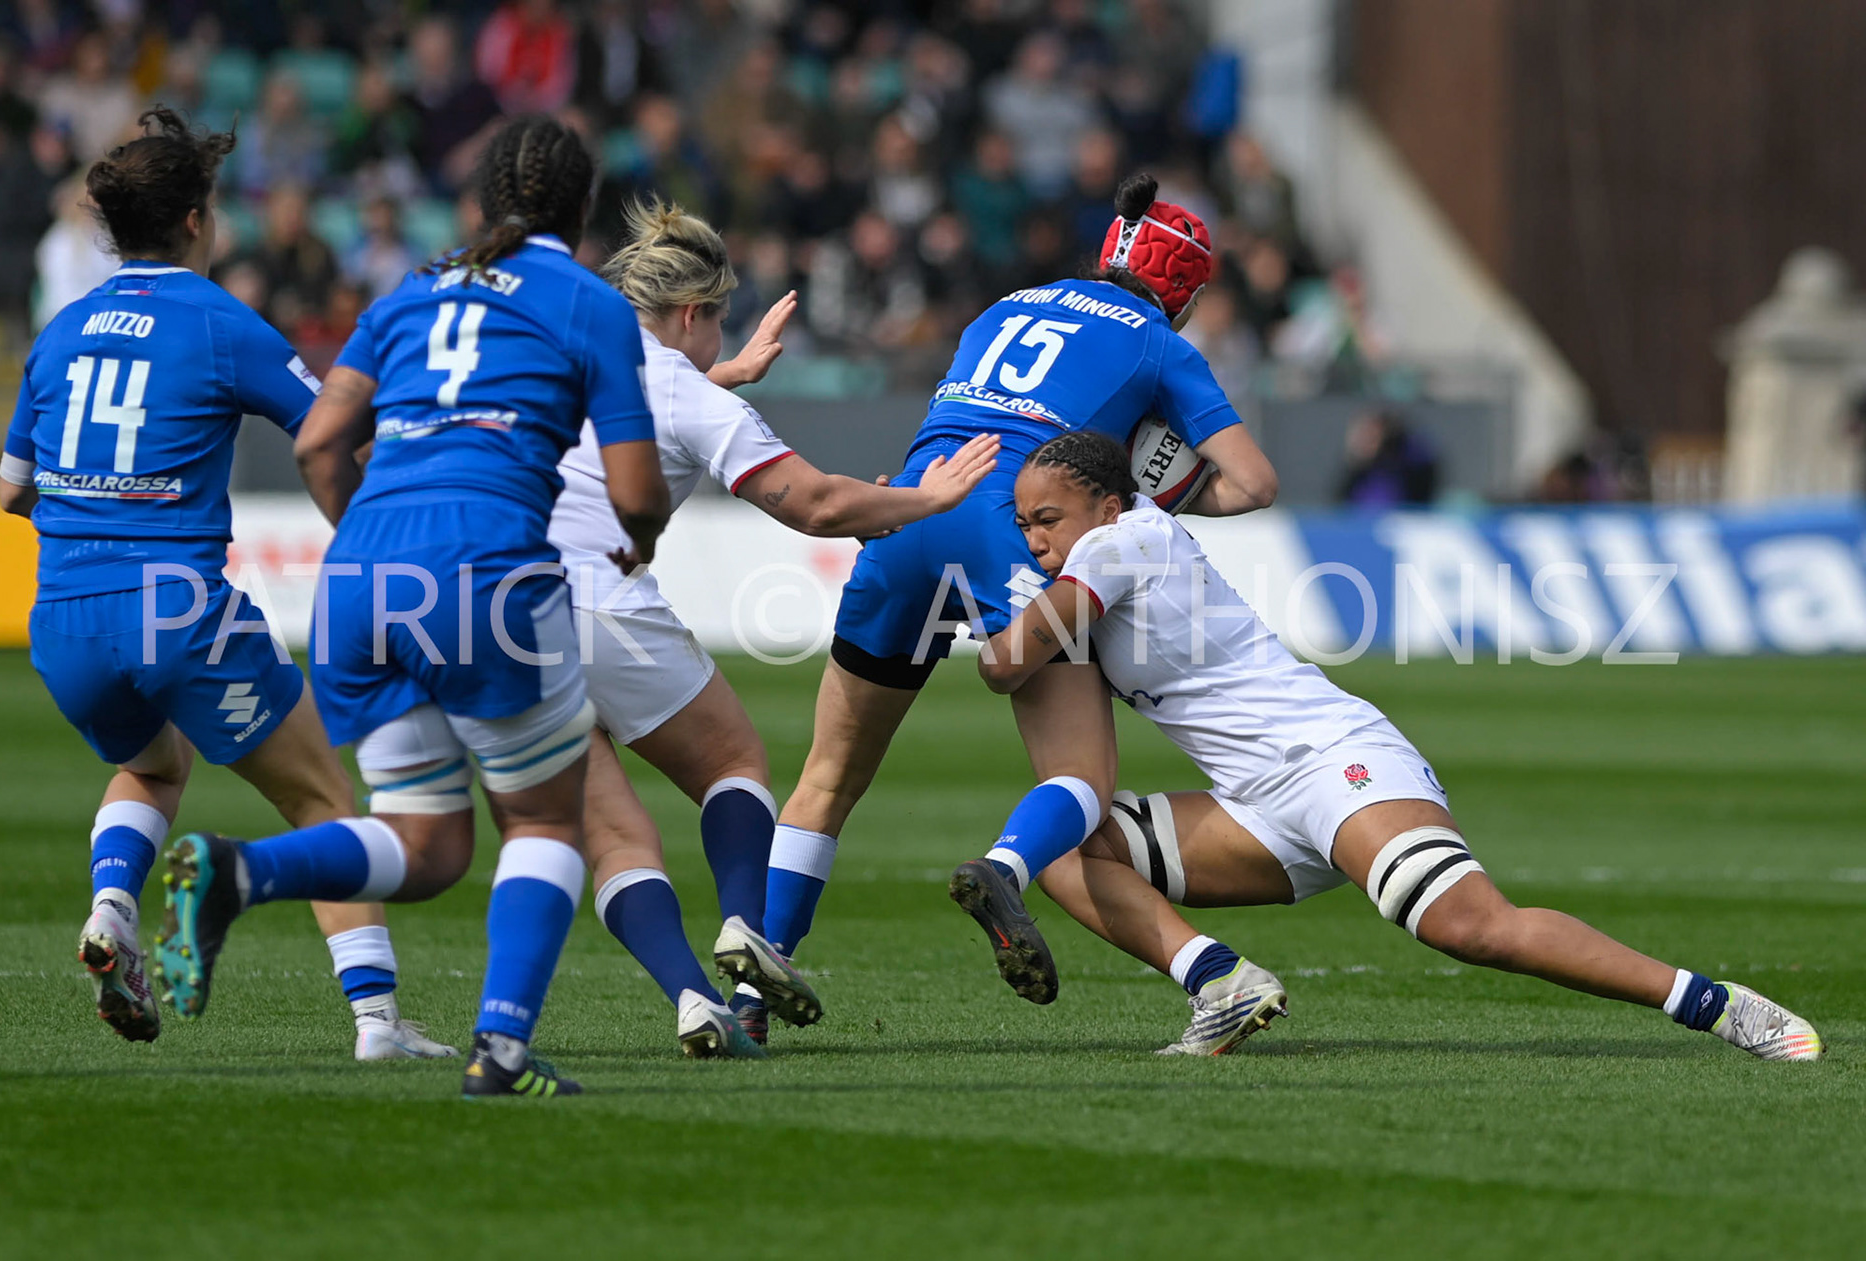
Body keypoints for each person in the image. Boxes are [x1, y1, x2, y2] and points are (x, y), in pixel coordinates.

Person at [975, 431, 1823, 1063]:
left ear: (1109, 505)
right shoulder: (1114, 543)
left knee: (1468, 924)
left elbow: (1009, 664)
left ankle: (1718, 1005)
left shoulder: (1121, 541)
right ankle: (1221, 983)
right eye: (1022, 523)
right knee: (1067, 853)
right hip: (1257, 804)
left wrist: (977, 598)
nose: (1035, 536)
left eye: (1047, 517)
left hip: (1333, 760)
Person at [153, 116, 672, 1100]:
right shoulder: (588, 303)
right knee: (545, 822)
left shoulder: (406, 292)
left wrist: (375, 543)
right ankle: (502, 1052)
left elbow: (317, 445)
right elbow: (637, 489)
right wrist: (638, 542)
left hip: (357, 577)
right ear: (581, 206)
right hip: (485, 566)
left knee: (429, 848)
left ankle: (237, 871)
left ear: (481, 202)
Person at [761, 175, 1278, 1014]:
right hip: (1010, 527)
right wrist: (1149, 490)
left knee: (826, 776)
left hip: (910, 512)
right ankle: (1004, 869)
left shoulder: (1003, 305)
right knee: (1081, 776)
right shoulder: (1158, 342)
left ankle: (762, 966)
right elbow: (1254, 483)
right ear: (1184, 289)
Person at [0, 107, 448, 1062]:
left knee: (156, 764)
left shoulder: (62, 329)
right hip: (173, 606)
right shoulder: (218, 323)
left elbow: (11, 490)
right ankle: (378, 1022)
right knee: (324, 798)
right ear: (199, 221)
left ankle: (113, 909)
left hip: (64, 617)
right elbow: (325, 428)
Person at [547, 199, 1000, 1048]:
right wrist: (924, 500)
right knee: (733, 759)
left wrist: (723, 376)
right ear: (693, 315)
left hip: (501, 611)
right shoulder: (683, 388)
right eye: (716, 322)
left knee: (611, 834)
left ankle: (690, 996)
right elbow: (819, 504)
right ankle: (746, 928)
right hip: (601, 600)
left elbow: (632, 413)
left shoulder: (573, 353)